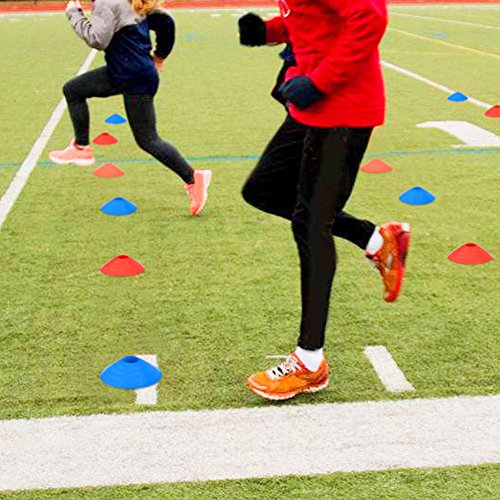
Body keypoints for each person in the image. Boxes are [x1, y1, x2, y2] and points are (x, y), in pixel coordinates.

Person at [238, 0, 411, 401]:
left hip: (342, 109)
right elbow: (312, 17)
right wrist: (270, 32)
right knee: (262, 189)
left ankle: (310, 361)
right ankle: (374, 239)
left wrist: (320, 82)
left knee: (310, 222)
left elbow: (369, 16)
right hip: (310, 108)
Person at [49, 0, 211, 216]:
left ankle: (194, 178)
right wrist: (160, 55)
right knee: (73, 90)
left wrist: (74, 14)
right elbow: (166, 23)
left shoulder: (106, 3)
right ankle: (81, 148)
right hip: (128, 72)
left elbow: (98, 40)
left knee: (148, 140)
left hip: (132, 77)